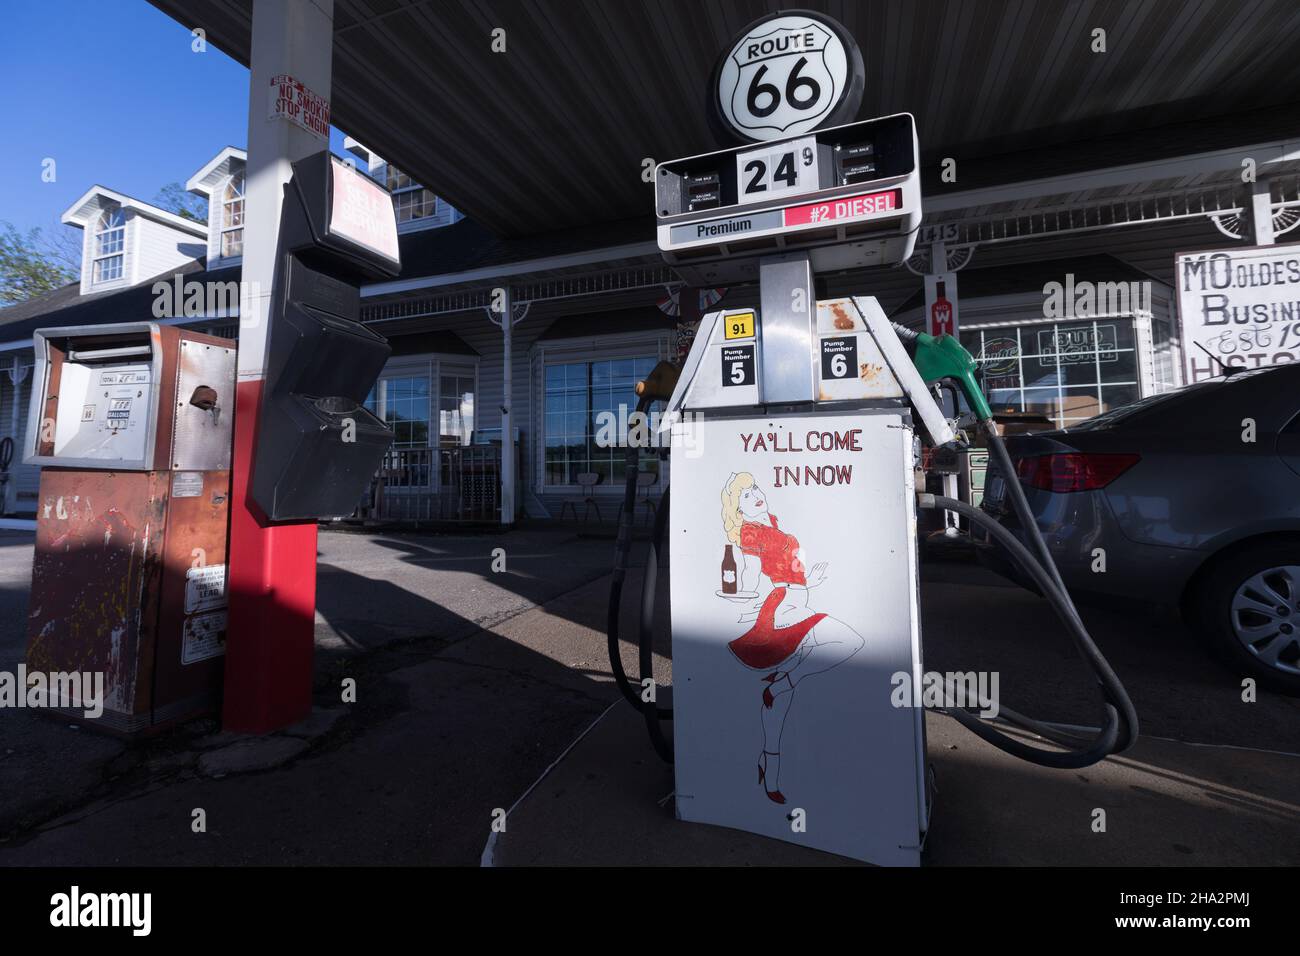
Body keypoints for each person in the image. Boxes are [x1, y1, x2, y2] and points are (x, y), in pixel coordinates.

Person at [719, 472, 865, 804]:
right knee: (850, 641)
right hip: (782, 607)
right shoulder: (750, 533)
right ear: (738, 511)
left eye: (754, 488)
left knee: (778, 703)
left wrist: (807, 578)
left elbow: (788, 566)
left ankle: (769, 772)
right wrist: (743, 591)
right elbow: (752, 574)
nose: (755, 494)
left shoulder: (772, 523)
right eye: (745, 496)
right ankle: (785, 682)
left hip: (799, 599)